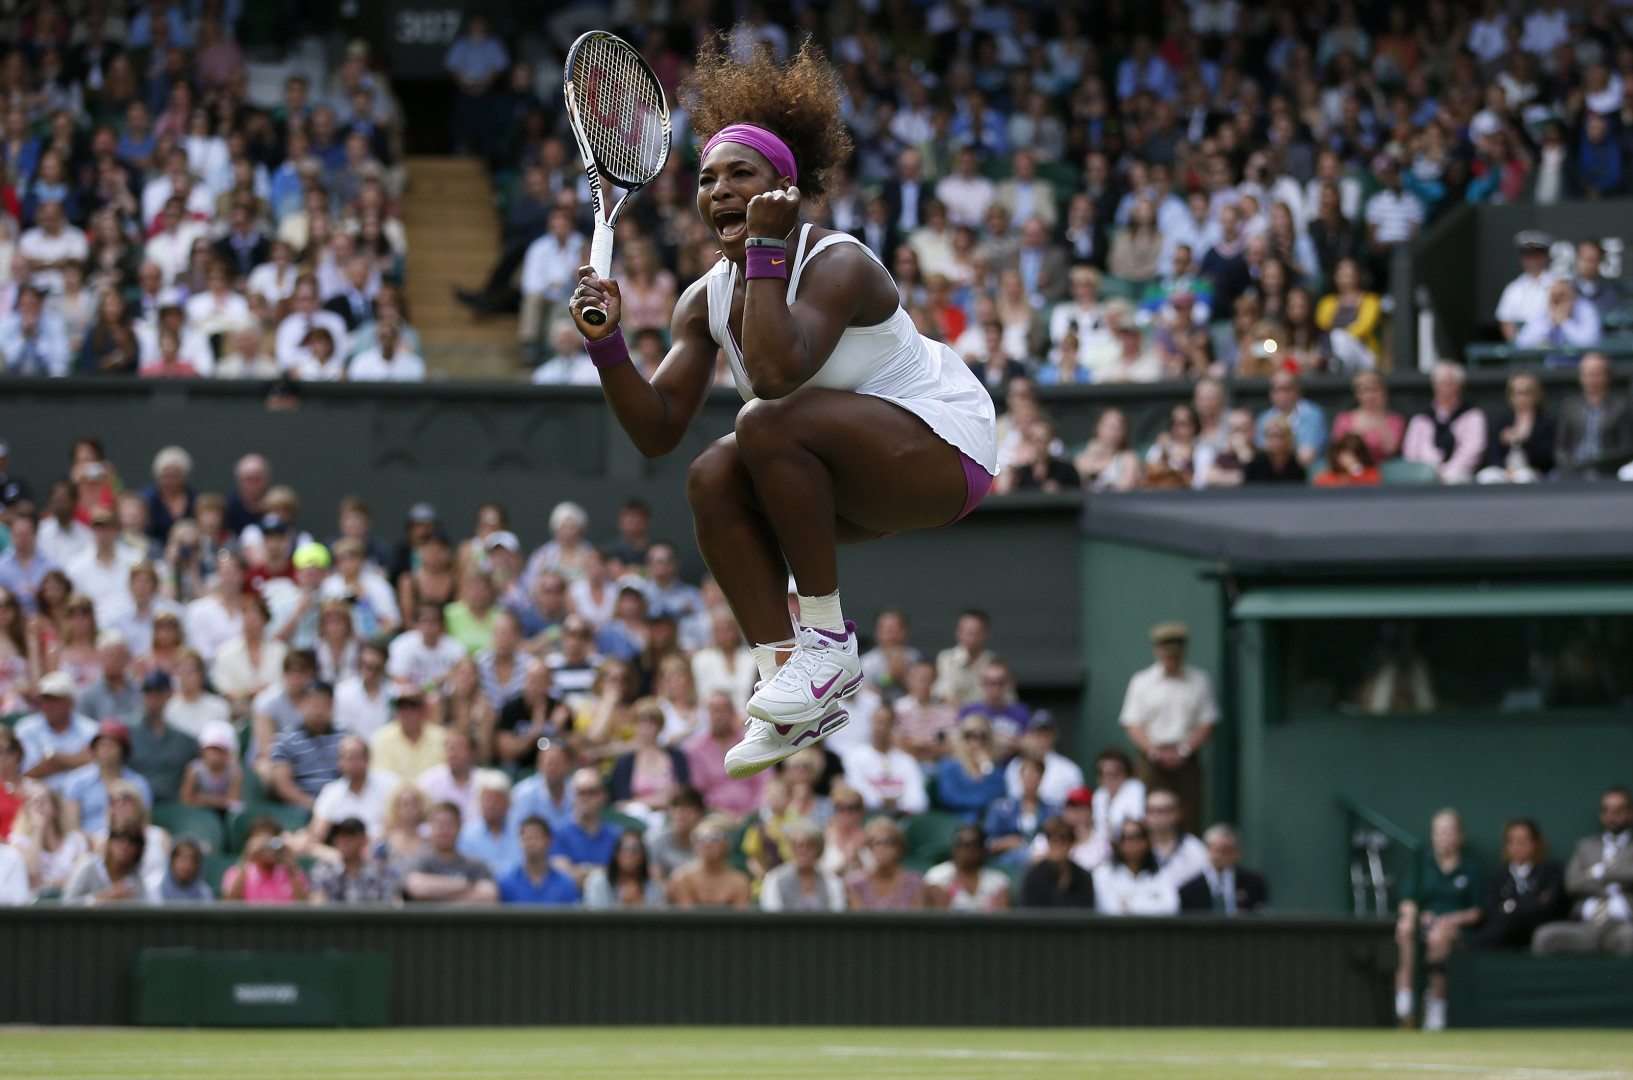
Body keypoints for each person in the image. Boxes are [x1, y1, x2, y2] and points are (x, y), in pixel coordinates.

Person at [569, 42, 998, 781]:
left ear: (784, 188)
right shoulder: (700, 300)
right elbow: (657, 428)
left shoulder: (840, 264)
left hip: (943, 453)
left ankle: (826, 646)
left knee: (762, 422)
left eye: (742, 174)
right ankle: (787, 685)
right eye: (707, 178)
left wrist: (767, 249)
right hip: (855, 482)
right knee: (710, 476)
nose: (720, 189)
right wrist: (607, 347)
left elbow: (774, 374)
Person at [1118, 623, 1218, 836]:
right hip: (1151, 759)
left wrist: (1184, 750)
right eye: (1167, 656)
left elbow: (1207, 722)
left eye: (1175, 657)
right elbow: (1132, 723)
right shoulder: (1142, 681)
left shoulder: (1199, 681)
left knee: (1189, 815)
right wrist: (1154, 751)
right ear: (1157, 652)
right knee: (1147, 812)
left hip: (1186, 759)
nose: (1171, 661)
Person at [1391, 809, 1482, 1029]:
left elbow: (1477, 911)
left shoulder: (1469, 869)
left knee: (1439, 937)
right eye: (1439, 832)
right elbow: (1408, 900)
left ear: (1460, 837)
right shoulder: (1422, 866)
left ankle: (1436, 1007)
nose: (1443, 837)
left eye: (1449, 832)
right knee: (1404, 929)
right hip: (1425, 925)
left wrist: (1450, 919)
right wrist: (1412, 916)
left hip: (1455, 931)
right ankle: (1405, 997)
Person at [1531, 786, 1633, 957]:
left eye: (1619, 810)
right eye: (1606, 810)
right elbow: (1574, 883)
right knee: (1545, 936)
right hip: (1586, 925)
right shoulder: (1585, 846)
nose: (1612, 815)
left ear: (1630, 812)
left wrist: (1600, 872)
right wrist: (1612, 887)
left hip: (1624, 925)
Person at [1467, 819, 1568, 954]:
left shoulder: (1549, 871)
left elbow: (1548, 907)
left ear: (1535, 843)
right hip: (1502, 936)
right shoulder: (1499, 875)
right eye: (1511, 841)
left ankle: (1468, 948)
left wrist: (1510, 906)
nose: (1516, 846)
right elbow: (1490, 909)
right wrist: (1531, 902)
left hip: (1535, 930)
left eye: (1522, 840)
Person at [683, 692, 768, 820]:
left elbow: (766, 782)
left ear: (732, 713)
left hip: (754, 814)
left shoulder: (752, 742)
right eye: (714, 711)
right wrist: (724, 815)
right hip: (714, 815)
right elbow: (699, 791)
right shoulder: (695, 749)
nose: (719, 716)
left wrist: (750, 814)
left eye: (724, 710)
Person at [1403, 362, 1488, 484]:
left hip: (1458, 476)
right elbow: (1410, 454)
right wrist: (1428, 472)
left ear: (1459, 385)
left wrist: (1446, 473)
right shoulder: (1421, 418)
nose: (1443, 387)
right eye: (1439, 382)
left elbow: (1472, 451)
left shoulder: (1473, 416)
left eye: (1448, 382)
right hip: (1423, 478)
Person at [61, 720, 152, 835]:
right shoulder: (76, 780)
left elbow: (144, 824)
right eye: (102, 745)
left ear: (123, 750)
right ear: (94, 749)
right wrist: (95, 843)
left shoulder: (139, 783)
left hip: (126, 844)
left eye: (111, 745)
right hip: (85, 846)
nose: (106, 750)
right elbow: (71, 827)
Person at [16, 670, 98, 793]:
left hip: (82, 798)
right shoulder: (26, 728)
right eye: (44, 700)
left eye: (56, 700)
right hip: (40, 797)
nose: (48, 705)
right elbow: (27, 773)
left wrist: (54, 758)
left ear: (70, 703)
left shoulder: (91, 728)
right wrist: (75, 760)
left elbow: (96, 767)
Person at [839, 704, 928, 816]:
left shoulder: (907, 761)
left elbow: (919, 801)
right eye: (878, 722)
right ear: (871, 723)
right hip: (867, 818)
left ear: (893, 726)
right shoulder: (854, 757)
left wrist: (890, 803)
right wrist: (890, 801)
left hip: (901, 819)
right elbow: (858, 796)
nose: (881, 727)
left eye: (886, 723)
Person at [308, 735, 399, 844]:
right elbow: (316, 835)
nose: (354, 763)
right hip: (346, 854)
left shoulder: (390, 784)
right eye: (349, 758)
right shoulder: (331, 792)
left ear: (368, 759)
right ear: (340, 762)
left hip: (385, 850)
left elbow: (400, 828)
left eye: (357, 757)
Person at [402, 802, 499, 904]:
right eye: (439, 824)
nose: (444, 831)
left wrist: (435, 896)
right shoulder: (417, 861)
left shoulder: (475, 865)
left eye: (449, 824)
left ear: (459, 827)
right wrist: (467, 885)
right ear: (430, 827)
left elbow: (489, 894)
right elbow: (416, 887)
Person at [123, 671, 196, 804]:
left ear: (169, 694)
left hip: (172, 805)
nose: (154, 698)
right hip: (135, 804)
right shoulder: (127, 730)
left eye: (159, 692)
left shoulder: (184, 738)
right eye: (149, 692)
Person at [270, 681, 344, 810]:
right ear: (301, 704)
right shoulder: (286, 740)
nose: (317, 711)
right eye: (313, 704)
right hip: (303, 808)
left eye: (323, 705)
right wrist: (315, 806)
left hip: (341, 805)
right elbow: (282, 785)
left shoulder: (345, 739)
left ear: (332, 706)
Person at [1556, 352, 1633, 476]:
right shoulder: (1569, 406)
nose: (1592, 380)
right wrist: (1568, 468)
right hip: (1574, 469)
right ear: (1581, 377)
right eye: (1587, 374)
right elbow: (1561, 447)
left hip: (1608, 470)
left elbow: (1625, 449)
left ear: (1607, 376)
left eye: (1597, 374)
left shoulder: (1621, 407)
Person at [1477, 372, 1556, 484]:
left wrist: (1524, 442)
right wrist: (1503, 443)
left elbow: (1547, 458)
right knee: (1486, 476)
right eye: (1517, 393)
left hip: (1531, 470)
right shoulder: (1502, 421)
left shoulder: (1545, 422)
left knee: (1524, 478)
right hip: (1504, 470)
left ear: (1536, 394)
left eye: (1526, 393)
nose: (1522, 398)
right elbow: (1490, 453)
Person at [551, 768, 622, 889]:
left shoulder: (617, 835)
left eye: (592, 792)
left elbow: (621, 876)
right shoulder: (557, 832)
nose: (586, 798)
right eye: (581, 792)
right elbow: (564, 876)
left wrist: (582, 871)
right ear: (571, 796)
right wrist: (602, 872)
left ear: (603, 796)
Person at [986, 753, 1058, 869]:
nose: (1031, 780)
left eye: (1036, 775)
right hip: (1006, 863)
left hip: (1040, 865)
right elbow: (989, 843)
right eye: (1028, 774)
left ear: (1041, 778)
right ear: (1021, 776)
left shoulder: (1052, 811)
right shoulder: (1001, 807)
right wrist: (1008, 842)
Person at [1093, 818, 1180, 916]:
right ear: (1118, 844)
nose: (1132, 843)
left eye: (1138, 836)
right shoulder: (1103, 874)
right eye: (1126, 837)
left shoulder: (1163, 873)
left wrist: (1129, 906)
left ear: (1147, 841)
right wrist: (1153, 903)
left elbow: (1171, 908)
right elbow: (1111, 911)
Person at [1178, 823, 1269, 915]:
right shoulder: (1189, 890)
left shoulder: (1253, 883)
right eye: (1214, 849)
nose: (1218, 856)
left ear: (1236, 852)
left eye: (1224, 850)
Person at [758, 818, 846, 911]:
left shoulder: (832, 883)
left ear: (818, 849)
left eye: (808, 846)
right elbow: (772, 916)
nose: (802, 851)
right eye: (796, 846)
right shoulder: (774, 879)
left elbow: (837, 916)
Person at [309, 817, 401, 904]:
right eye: (339, 836)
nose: (343, 841)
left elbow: (390, 907)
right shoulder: (323, 870)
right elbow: (318, 906)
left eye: (350, 835)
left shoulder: (381, 871)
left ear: (363, 839)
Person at [668, 815, 752, 908]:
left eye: (715, 838)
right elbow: (686, 918)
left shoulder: (739, 883)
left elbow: (740, 919)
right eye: (698, 838)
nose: (706, 844)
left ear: (727, 843)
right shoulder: (682, 878)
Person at [845, 817, 927, 910]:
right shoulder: (855, 883)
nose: (880, 849)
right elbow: (858, 921)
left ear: (899, 847)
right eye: (875, 843)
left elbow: (917, 922)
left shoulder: (915, 883)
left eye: (887, 843)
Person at [223, 816, 310, 903]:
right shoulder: (235, 872)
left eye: (271, 840)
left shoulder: (294, 873)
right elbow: (229, 906)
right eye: (261, 841)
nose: (266, 847)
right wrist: (247, 858)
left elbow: (304, 908)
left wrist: (290, 862)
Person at [924, 824, 1010, 912]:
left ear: (981, 850)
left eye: (970, 845)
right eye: (959, 843)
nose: (963, 849)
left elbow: (1003, 921)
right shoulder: (937, 877)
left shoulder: (998, 881)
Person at [497, 816, 580, 905]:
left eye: (536, 837)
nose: (531, 843)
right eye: (527, 838)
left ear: (549, 841)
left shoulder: (565, 884)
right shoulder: (505, 883)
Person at [1020, 816, 1097, 909]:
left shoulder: (1083, 877)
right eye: (1052, 839)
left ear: (1071, 843)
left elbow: (1086, 914)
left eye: (1063, 839)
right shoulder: (1033, 876)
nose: (1057, 845)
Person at [61, 824, 147, 904]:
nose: (125, 845)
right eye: (118, 836)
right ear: (109, 841)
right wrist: (102, 899)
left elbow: (143, 909)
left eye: (133, 839)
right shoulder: (89, 867)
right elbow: (67, 903)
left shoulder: (136, 876)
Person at [1329, 372, 1404, 463]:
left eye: (1374, 389)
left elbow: (1390, 450)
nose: (1369, 395)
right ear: (1357, 394)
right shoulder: (1343, 419)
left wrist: (1380, 419)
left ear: (1384, 392)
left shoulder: (1395, 420)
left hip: (1384, 471)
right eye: (1364, 390)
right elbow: (1338, 451)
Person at [1495, 231, 1555, 342]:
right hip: (1522, 349)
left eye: (1536, 255)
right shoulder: (1513, 289)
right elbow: (1505, 320)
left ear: (1545, 256)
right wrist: (1519, 348)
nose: (1532, 260)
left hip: (1552, 347)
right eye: (1527, 255)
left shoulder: (1557, 286)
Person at [1143, 788, 1209, 889]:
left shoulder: (1193, 848)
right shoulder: (1135, 847)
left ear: (1176, 814)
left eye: (1161, 811)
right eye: (1150, 811)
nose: (1155, 816)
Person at [583, 829, 667, 908]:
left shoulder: (653, 888)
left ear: (643, 856)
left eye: (636, 849)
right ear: (616, 853)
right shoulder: (598, 882)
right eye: (624, 848)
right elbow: (594, 918)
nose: (629, 853)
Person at [179, 720, 242, 811]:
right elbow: (186, 799)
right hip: (198, 813)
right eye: (211, 749)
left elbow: (232, 801)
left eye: (220, 750)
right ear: (203, 750)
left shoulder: (234, 771)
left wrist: (202, 798)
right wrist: (217, 801)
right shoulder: (194, 769)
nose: (215, 755)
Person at [1245, 419, 1308, 484]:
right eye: (1271, 436)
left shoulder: (1296, 465)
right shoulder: (1256, 463)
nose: (1275, 441)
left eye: (1280, 436)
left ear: (1289, 438)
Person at [155, 834, 214, 903]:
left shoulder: (205, 894)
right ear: (171, 861)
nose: (186, 866)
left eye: (192, 861)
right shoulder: (156, 892)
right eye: (182, 859)